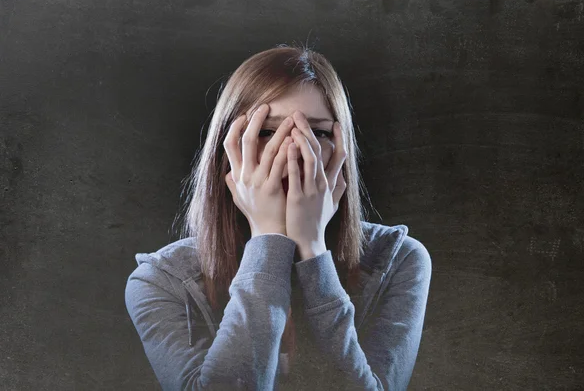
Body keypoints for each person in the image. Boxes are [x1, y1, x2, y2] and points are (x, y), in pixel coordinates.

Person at [124, 44, 432, 390]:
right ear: (228, 149)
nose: (292, 154)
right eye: (268, 132)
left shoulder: (400, 260)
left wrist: (312, 247)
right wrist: (269, 238)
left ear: (341, 149)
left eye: (318, 133)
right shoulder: (160, 281)